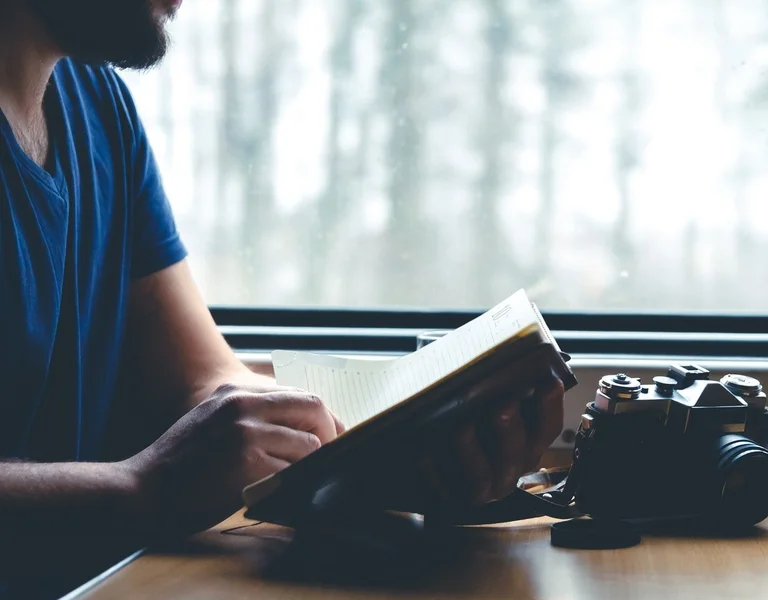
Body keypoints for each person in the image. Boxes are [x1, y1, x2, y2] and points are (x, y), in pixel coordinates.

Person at [0, 0, 565, 542]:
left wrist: (375, 452)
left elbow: (202, 377)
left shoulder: (101, 110)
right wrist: (137, 488)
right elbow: (161, 466)